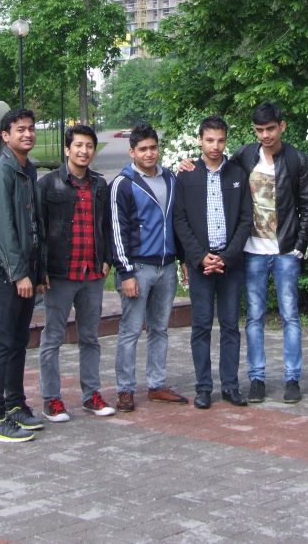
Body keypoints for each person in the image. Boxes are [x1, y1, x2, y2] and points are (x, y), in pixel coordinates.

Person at [36, 124, 117, 422]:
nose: (84, 151)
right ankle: (51, 399)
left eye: (89, 146)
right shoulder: (48, 185)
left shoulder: (99, 185)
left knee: (90, 337)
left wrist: (107, 258)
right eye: (78, 145)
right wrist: (41, 268)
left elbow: (106, 225)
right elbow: (39, 229)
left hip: (92, 274)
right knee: (53, 337)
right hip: (60, 274)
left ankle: (91, 395)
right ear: (67, 149)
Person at [236, 102, 308, 405]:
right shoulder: (246, 156)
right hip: (252, 250)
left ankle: (292, 378)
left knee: (290, 315)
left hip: (285, 251)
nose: (265, 135)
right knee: (254, 316)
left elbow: (307, 207)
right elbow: (219, 175)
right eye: (259, 130)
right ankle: (257, 378)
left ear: (282, 126)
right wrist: (190, 165)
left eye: (270, 128)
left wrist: (299, 246)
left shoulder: (297, 160)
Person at [173, 115, 254, 409]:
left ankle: (231, 386)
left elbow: (246, 220)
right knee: (201, 326)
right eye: (209, 140)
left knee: (231, 326)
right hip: (201, 265)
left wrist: (227, 257)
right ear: (200, 141)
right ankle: (204, 388)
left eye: (220, 140)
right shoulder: (187, 175)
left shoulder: (237, 174)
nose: (215, 146)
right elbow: (180, 220)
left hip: (229, 264)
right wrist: (198, 257)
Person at [0, 107, 47, 443]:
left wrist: (38, 271)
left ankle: (15, 405)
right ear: (6, 136)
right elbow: (3, 230)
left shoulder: (27, 170)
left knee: (19, 340)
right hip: (6, 272)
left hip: (25, 270)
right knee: (2, 342)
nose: (28, 134)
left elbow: (34, 225)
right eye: (20, 129)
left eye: (31, 128)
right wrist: (19, 274)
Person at [109, 123, 188, 411]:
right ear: (132, 152)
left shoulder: (170, 178)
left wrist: (183, 259)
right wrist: (125, 272)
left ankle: (157, 384)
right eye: (142, 149)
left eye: (153, 147)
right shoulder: (123, 183)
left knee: (160, 329)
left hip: (166, 267)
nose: (149, 153)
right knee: (130, 330)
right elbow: (117, 231)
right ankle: (125, 389)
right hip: (138, 268)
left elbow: (177, 222)